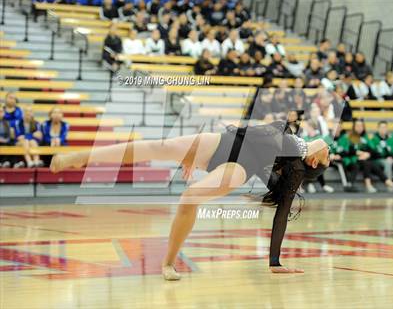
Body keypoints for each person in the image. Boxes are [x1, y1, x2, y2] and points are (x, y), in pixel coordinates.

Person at [49, 119, 331, 279]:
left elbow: (282, 214)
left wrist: (275, 261)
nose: (328, 151)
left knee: (189, 197)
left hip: (239, 166)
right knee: (159, 146)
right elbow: (313, 141)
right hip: (224, 142)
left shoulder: (298, 163)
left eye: (327, 158)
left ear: (317, 163)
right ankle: (82, 157)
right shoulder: (301, 141)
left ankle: (168, 263)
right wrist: (192, 158)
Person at [340, 119, 393, 192]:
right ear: (354, 127)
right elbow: (345, 150)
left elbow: (372, 150)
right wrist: (357, 152)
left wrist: (368, 154)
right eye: (357, 126)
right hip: (352, 160)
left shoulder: (365, 137)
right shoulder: (349, 137)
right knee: (367, 163)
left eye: (361, 126)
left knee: (370, 163)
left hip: (363, 160)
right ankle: (371, 185)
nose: (359, 127)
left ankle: (388, 183)